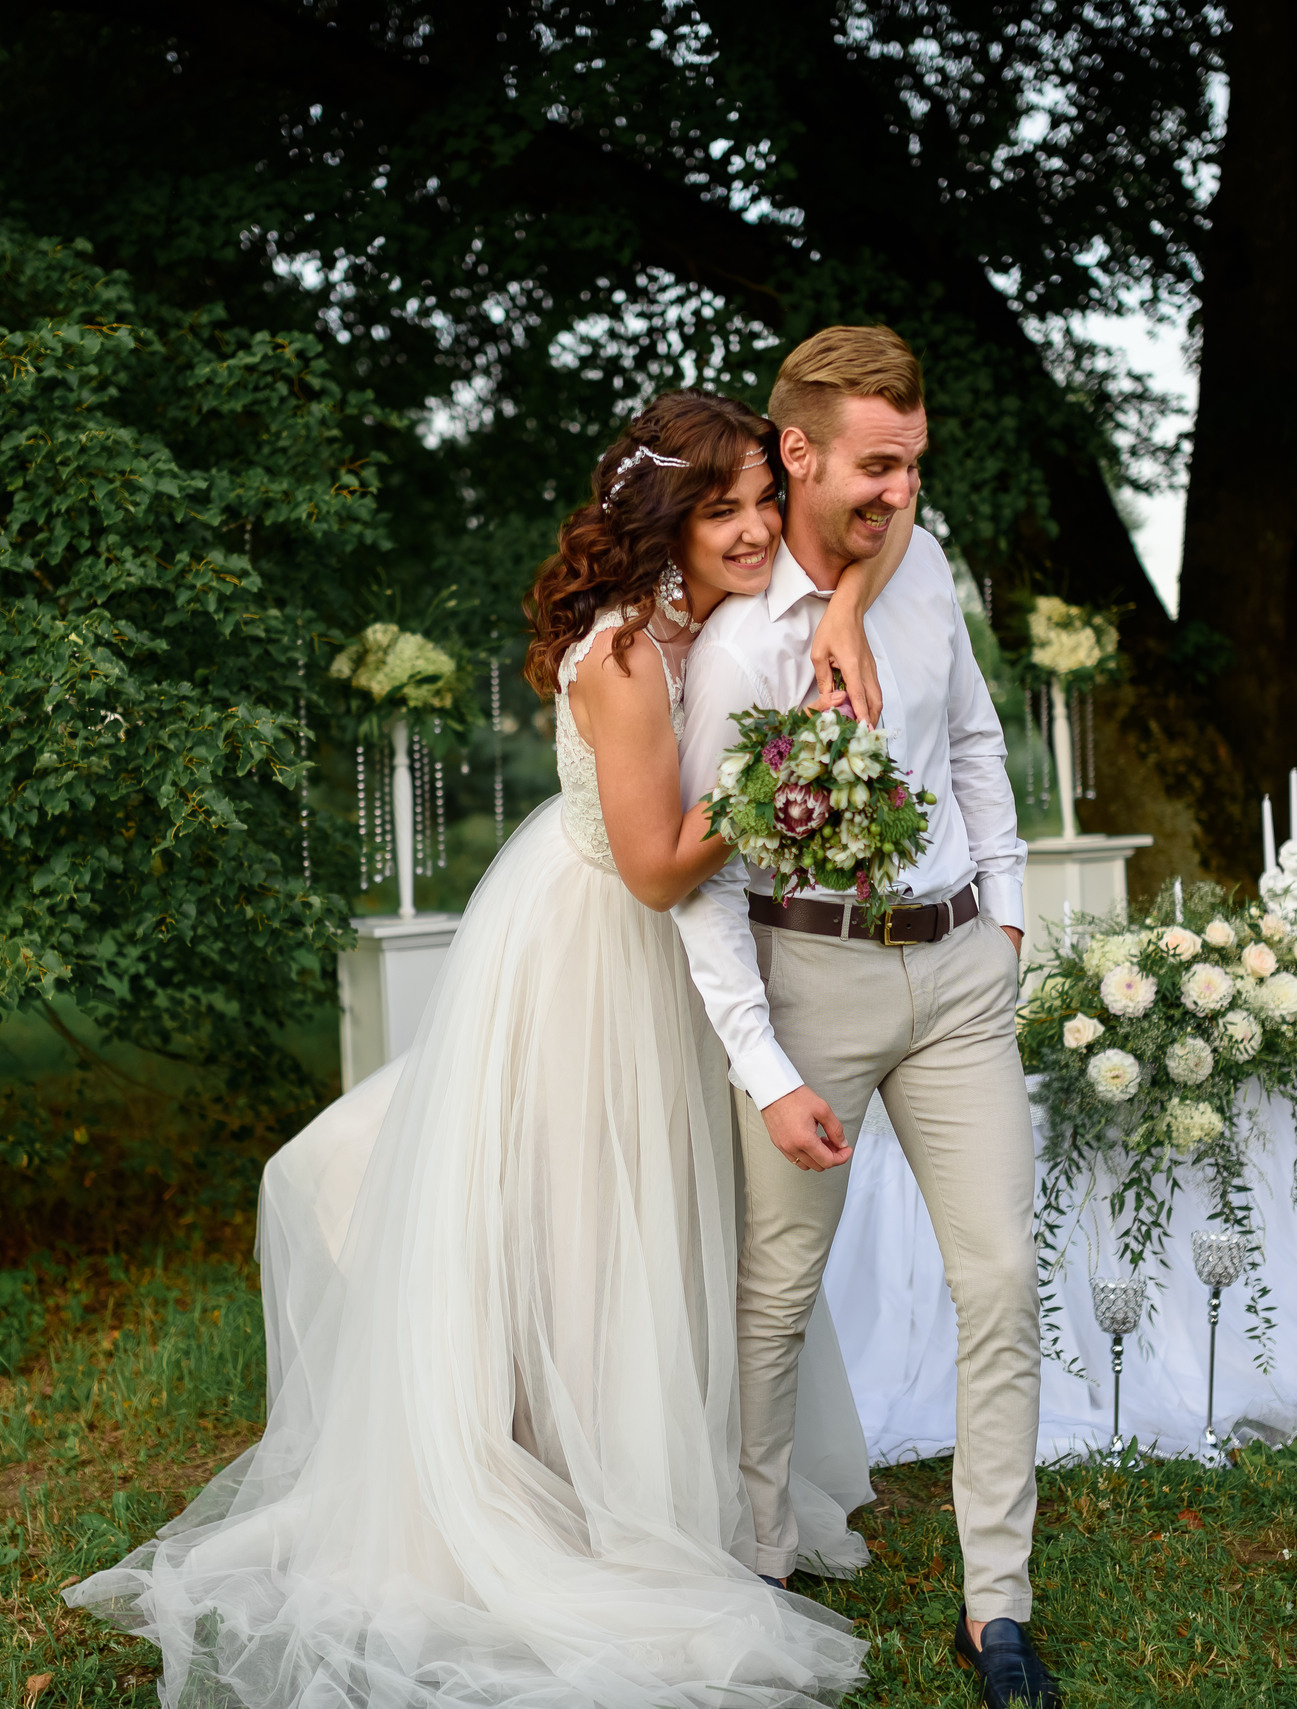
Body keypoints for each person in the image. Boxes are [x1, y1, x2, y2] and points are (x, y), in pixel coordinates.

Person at [64, 389, 909, 1709]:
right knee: (577, 1223)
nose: (754, 529)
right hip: (597, 952)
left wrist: (845, 614)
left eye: (760, 499)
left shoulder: (727, 623)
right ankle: (572, 1495)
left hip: (690, 954)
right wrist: (783, 781)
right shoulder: (626, 654)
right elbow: (647, 868)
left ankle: (672, 1471)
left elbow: (883, 524)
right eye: (721, 507)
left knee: (663, 1218)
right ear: (660, 522)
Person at [673, 326, 1059, 1709]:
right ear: (799, 453)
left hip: (958, 970)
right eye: (877, 465)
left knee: (1002, 1278)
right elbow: (703, 890)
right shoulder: (734, 651)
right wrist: (766, 1065)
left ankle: (996, 1604)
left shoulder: (924, 561)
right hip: (808, 979)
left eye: (915, 463)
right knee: (776, 1293)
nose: (900, 490)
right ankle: (761, 1565)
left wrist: (1006, 918)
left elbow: (971, 744)